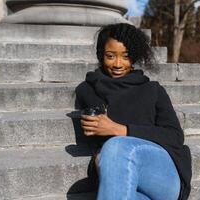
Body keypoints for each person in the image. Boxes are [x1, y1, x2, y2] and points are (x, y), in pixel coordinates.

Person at [75, 23, 192, 200]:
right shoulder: (88, 89)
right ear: (101, 55)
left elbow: (175, 136)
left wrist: (120, 130)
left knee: (116, 146)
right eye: (110, 56)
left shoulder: (153, 90)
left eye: (126, 57)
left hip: (163, 173)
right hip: (120, 174)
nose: (118, 64)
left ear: (134, 58)